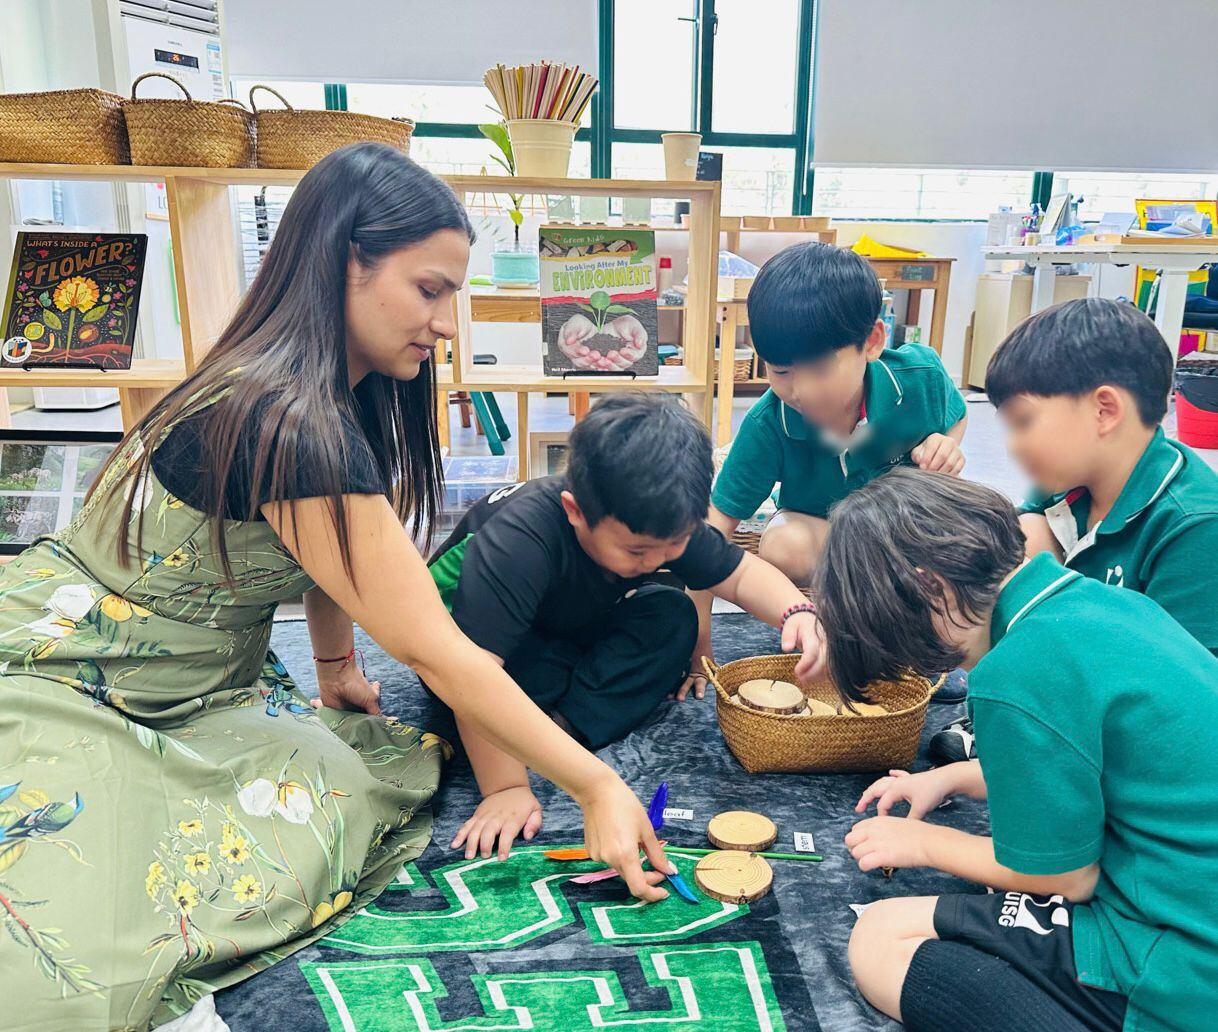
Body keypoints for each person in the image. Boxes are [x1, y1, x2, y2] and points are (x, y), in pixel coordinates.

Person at [0, 143, 670, 1030]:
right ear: (345, 262)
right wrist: (595, 787)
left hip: (205, 683)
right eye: (429, 290)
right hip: (86, 675)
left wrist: (334, 664)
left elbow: (330, 558)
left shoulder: (328, 396)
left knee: (342, 782)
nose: (444, 324)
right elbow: (439, 651)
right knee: (71, 954)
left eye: (453, 297)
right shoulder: (286, 417)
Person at [815, 468, 1218, 1032]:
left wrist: (926, 842)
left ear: (932, 588)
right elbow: (1076, 755)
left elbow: (1068, 878)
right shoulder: (1096, 602)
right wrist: (949, 779)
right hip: (1193, 900)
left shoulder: (1014, 671)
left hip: (1179, 961)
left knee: (879, 937)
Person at [429, 392, 823, 859]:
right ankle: (525, 739)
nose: (656, 560)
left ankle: (554, 730)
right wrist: (504, 789)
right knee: (529, 672)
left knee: (673, 614)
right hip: (475, 651)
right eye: (637, 553)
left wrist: (797, 612)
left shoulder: (655, 519)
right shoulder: (518, 541)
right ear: (576, 512)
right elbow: (470, 674)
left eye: (671, 547)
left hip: (567, 623)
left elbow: (739, 574)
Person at [931, 297, 1218, 764]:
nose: (1014, 445)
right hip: (1085, 670)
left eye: (1025, 422)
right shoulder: (1067, 485)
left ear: (1104, 410)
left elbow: (1191, 695)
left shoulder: (1194, 524)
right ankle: (1015, 709)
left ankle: (1046, 725)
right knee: (1014, 541)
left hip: (1155, 730)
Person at [692, 243, 968, 692]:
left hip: (903, 541)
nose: (799, 391)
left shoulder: (920, 378)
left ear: (873, 342)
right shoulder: (768, 424)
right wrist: (699, 640)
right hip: (827, 544)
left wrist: (946, 445)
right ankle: (840, 631)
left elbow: (956, 417)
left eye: (820, 369)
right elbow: (711, 533)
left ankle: (914, 637)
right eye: (780, 371)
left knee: (967, 532)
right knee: (782, 544)